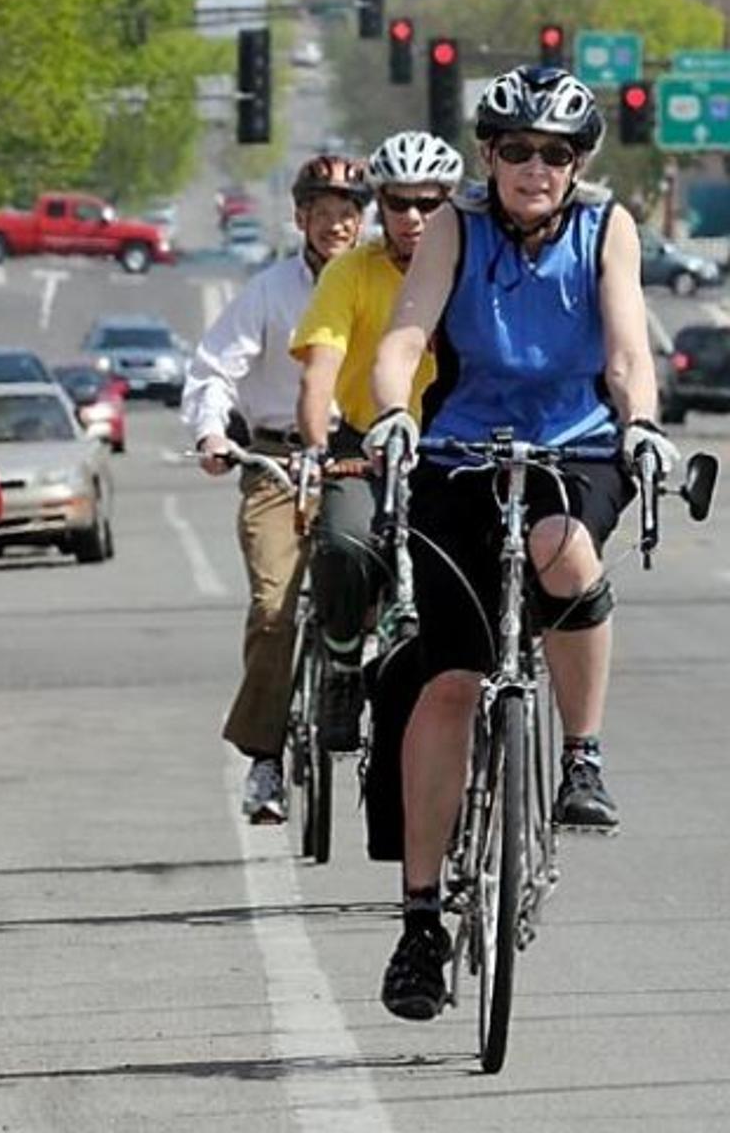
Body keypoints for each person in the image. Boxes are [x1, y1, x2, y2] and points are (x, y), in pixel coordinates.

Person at [362, 66, 680, 1020]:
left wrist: (642, 424)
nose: (535, 168)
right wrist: (392, 412)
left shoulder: (606, 226)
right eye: (516, 150)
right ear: (489, 156)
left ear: (577, 163)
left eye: (555, 153)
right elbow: (405, 337)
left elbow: (626, 351)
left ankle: (582, 755)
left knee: (562, 548)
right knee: (449, 683)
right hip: (460, 453)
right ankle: (421, 923)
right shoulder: (454, 226)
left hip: (574, 448)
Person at [181, 156, 371, 823]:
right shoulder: (269, 291)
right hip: (278, 464)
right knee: (273, 611)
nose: (336, 225)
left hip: (359, 460)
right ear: (300, 218)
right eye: (323, 213)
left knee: (393, 594)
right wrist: (211, 434)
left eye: (348, 213)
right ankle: (265, 758)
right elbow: (213, 371)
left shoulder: (381, 280)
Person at [290, 131, 463, 750]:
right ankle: (341, 665)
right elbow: (320, 373)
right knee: (344, 543)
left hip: (455, 447)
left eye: (429, 203)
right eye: (398, 202)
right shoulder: (349, 272)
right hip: (365, 447)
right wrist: (317, 451)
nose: (414, 217)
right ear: (379, 207)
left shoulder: (475, 267)